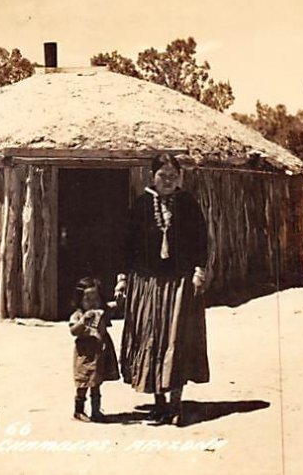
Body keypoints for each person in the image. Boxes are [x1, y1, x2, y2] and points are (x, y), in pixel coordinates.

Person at [119, 154, 210, 426]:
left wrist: (198, 270)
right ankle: (158, 403)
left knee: (176, 340)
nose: (168, 181)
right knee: (151, 339)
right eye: (163, 175)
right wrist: (123, 278)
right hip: (147, 285)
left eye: (173, 176)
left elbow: (201, 240)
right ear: (152, 176)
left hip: (179, 283)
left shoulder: (188, 205)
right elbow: (127, 243)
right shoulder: (140, 205)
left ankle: (176, 404)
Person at [68, 277, 120, 422]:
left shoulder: (102, 311)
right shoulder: (78, 315)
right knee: (83, 381)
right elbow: (73, 330)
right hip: (84, 353)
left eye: (95, 298)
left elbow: (116, 306)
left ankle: (96, 411)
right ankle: (78, 411)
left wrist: (120, 295)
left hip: (99, 352)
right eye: (87, 299)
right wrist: (83, 321)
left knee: (96, 382)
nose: (92, 303)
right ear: (80, 300)